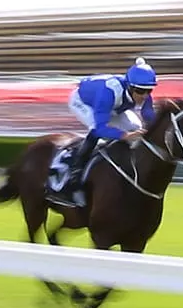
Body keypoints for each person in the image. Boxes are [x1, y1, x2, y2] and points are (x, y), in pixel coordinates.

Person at [56, 59, 158, 204]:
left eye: (149, 90)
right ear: (130, 86)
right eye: (141, 91)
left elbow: (148, 114)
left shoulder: (142, 90)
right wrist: (124, 135)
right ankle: (74, 178)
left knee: (136, 126)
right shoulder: (109, 92)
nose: (145, 96)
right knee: (95, 130)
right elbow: (100, 128)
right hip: (84, 102)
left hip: (112, 107)